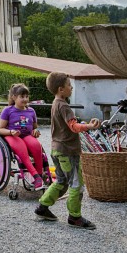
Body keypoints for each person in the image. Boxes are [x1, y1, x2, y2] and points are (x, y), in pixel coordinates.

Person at [34, 73, 98, 229]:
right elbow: (74, 127)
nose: (72, 87)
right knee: (76, 184)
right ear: (61, 89)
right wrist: (89, 126)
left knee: (61, 182)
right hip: (68, 152)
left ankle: (42, 207)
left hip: (57, 151)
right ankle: (74, 217)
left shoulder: (56, 103)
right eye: (69, 85)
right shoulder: (64, 105)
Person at [0, 84, 47, 191]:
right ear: (14, 97)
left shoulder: (31, 111)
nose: (25, 99)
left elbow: (35, 128)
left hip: (27, 135)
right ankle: (35, 176)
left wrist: (35, 132)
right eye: (22, 96)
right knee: (21, 147)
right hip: (12, 135)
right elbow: (0, 129)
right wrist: (11, 132)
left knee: (36, 146)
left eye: (26, 96)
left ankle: (39, 176)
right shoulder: (8, 110)